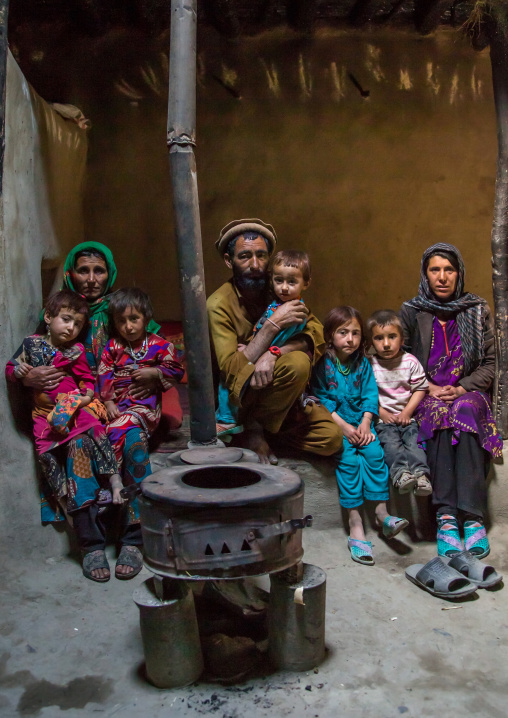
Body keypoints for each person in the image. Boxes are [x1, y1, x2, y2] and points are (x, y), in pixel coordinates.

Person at [5, 289, 125, 583]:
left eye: (77, 324)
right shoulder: (31, 346)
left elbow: (86, 380)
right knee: (47, 457)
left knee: (88, 436)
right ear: (49, 318)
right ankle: (67, 504)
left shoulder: (77, 351)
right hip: (44, 418)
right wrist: (20, 372)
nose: (71, 328)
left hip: (74, 410)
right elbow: (10, 368)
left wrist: (84, 398)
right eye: (66, 320)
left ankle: (112, 487)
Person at [207, 218, 342, 464]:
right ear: (229, 261)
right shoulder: (218, 305)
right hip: (241, 399)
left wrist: (274, 353)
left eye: (262, 255)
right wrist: (271, 326)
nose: (256, 265)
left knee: (330, 439)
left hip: (279, 395)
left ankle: (260, 433)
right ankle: (252, 428)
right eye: (245, 256)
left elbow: (317, 334)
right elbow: (231, 371)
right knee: (298, 364)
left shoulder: (280, 287)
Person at [400, 243, 503, 559]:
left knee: (465, 410)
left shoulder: (476, 309)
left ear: (458, 273)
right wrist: (426, 386)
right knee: (436, 415)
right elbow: (399, 357)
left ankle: (472, 518)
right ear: (426, 274)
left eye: (449, 269)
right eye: (435, 270)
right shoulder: (412, 311)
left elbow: (490, 362)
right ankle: (445, 517)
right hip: (425, 392)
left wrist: (462, 388)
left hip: (466, 391)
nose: (442, 277)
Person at [311, 306, 408, 566]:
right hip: (338, 424)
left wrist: (366, 422)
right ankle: (355, 523)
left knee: (375, 454)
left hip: (362, 424)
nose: (350, 339)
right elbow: (321, 398)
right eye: (343, 332)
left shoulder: (362, 364)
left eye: (355, 333)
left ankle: (381, 514)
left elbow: (370, 395)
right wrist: (344, 427)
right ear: (330, 335)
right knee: (349, 460)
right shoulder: (322, 364)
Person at [97, 288, 184, 533]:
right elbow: (103, 373)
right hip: (118, 404)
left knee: (116, 427)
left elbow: (176, 371)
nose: (128, 326)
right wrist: (109, 401)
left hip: (144, 407)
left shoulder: (160, 346)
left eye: (134, 319)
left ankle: (112, 479)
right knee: (106, 429)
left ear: (146, 318)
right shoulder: (113, 347)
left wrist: (154, 373)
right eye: (121, 321)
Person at [215, 249, 311, 435]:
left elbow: (283, 338)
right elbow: (262, 330)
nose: (284, 287)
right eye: (278, 280)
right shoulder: (276, 302)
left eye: (292, 282)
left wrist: (265, 353)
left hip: (272, 363)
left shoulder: (295, 310)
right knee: (228, 374)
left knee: (231, 382)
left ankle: (231, 421)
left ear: (305, 283)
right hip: (258, 354)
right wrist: (249, 347)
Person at [367, 309, 432, 496]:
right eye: (379, 338)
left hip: (407, 418)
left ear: (402, 339)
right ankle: (401, 475)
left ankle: (421, 476)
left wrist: (407, 412)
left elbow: (420, 388)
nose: (386, 344)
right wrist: (381, 412)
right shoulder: (369, 365)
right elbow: (365, 393)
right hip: (383, 421)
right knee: (391, 444)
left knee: (414, 443)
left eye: (392, 337)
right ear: (372, 342)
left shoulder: (410, 362)